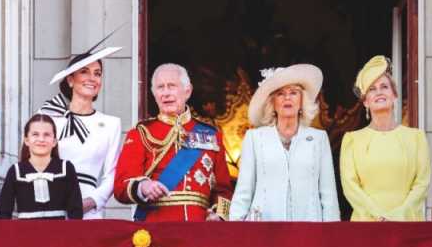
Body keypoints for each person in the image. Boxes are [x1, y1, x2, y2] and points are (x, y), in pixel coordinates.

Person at [114, 63, 233, 222]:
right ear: (154, 94)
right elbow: (121, 186)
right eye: (160, 87)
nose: (166, 93)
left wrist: (219, 215)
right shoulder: (140, 133)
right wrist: (143, 187)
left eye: (171, 86)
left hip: (200, 229)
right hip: (155, 229)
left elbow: (224, 190)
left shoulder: (211, 135)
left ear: (187, 91)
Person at [229, 65, 340, 221]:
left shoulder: (318, 139)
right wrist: (236, 228)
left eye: (293, 93)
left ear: (302, 101)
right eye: (280, 94)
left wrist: (331, 234)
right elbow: (243, 191)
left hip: (309, 229)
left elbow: (329, 195)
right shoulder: (254, 138)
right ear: (272, 102)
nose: (287, 98)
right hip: (264, 228)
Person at [340, 55, 431, 221]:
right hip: (366, 226)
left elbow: (422, 184)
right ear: (365, 101)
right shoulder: (352, 141)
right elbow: (351, 187)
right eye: (372, 89)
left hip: (407, 225)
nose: (379, 92)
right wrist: (379, 216)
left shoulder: (416, 139)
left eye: (384, 87)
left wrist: (398, 215)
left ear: (395, 96)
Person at [39, 41, 122, 219]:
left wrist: (92, 201)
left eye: (97, 74)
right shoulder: (48, 117)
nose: (92, 78)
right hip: (49, 203)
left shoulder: (110, 124)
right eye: (84, 71)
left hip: (89, 210)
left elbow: (112, 173)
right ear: (70, 79)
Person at [0, 114, 83, 220]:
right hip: (25, 234)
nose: (41, 139)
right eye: (35, 134)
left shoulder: (66, 168)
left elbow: (76, 212)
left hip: (59, 234)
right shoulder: (16, 171)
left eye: (47, 135)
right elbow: (3, 213)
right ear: (27, 140)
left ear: (54, 141)